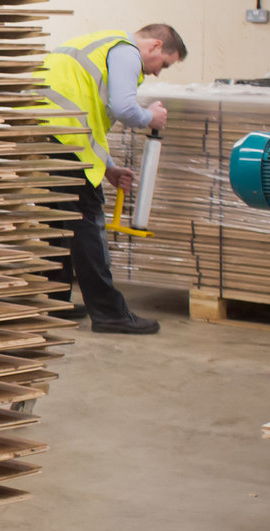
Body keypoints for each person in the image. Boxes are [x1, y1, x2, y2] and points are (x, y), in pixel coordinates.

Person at [31, 23, 186, 335]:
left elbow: (89, 120)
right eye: (164, 64)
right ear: (154, 46)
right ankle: (109, 313)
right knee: (88, 225)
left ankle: (54, 304)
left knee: (59, 224)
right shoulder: (126, 51)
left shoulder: (100, 46)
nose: (157, 73)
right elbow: (125, 107)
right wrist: (150, 117)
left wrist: (109, 167)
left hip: (44, 130)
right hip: (63, 134)